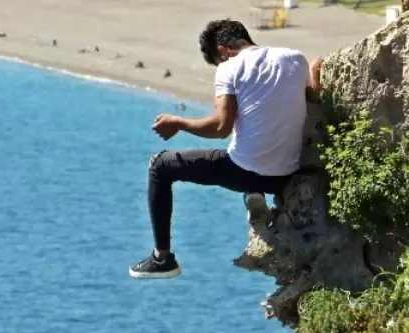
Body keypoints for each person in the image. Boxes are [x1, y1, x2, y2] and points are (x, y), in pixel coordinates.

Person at [129, 19, 323, 280]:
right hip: (286, 174)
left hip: (245, 172)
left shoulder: (229, 68)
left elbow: (220, 127)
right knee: (250, 138)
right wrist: (314, 71)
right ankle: (255, 198)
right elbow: (310, 97)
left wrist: (178, 122)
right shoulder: (295, 59)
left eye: (216, 61)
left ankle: (162, 258)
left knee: (160, 165)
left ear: (222, 51)